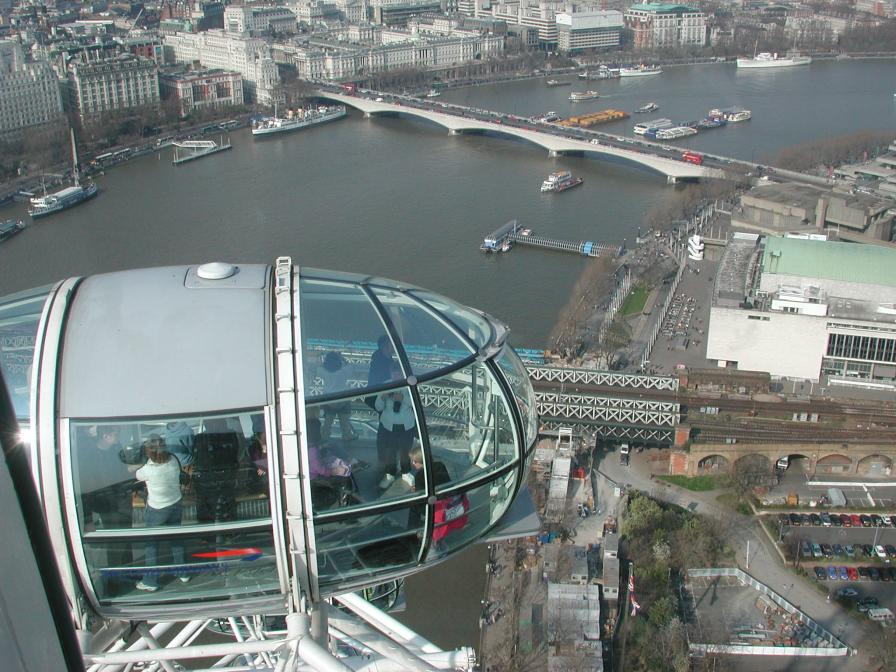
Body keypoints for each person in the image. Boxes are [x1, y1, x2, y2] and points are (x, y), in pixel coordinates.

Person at [134, 435, 189, 591]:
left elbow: (137, 475)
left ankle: (150, 581)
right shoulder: (173, 461)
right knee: (176, 540)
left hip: (157, 510)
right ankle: (183, 572)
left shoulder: (148, 470)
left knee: (152, 546)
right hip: (176, 503)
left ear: (149, 453)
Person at [375, 382, 416, 490]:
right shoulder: (386, 385)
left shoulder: (409, 384)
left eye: (398, 373)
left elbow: (416, 403)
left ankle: (406, 472)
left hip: (406, 425)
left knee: (405, 450)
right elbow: (378, 407)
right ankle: (390, 473)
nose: (396, 376)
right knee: (389, 450)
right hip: (388, 425)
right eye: (394, 372)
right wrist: (382, 397)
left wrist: (403, 398)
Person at [319, 351, 357, 442]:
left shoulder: (323, 372)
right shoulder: (343, 371)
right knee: (345, 421)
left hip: (329, 399)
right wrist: (341, 357)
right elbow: (351, 366)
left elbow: (319, 367)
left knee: (328, 421)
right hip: (342, 398)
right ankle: (346, 435)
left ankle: (325, 436)